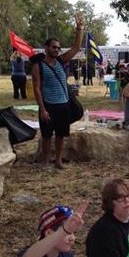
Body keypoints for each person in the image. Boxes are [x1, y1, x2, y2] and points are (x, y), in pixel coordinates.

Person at [31, 15, 84, 169]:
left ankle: (59, 161)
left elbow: (75, 48)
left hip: (63, 105)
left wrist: (79, 30)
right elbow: (36, 88)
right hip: (48, 105)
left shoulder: (61, 61)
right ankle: (46, 162)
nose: (56, 50)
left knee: (60, 134)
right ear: (46, 48)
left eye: (58, 48)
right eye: (53, 47)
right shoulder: (38, 66)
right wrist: (42, 109)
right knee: (47, 135)